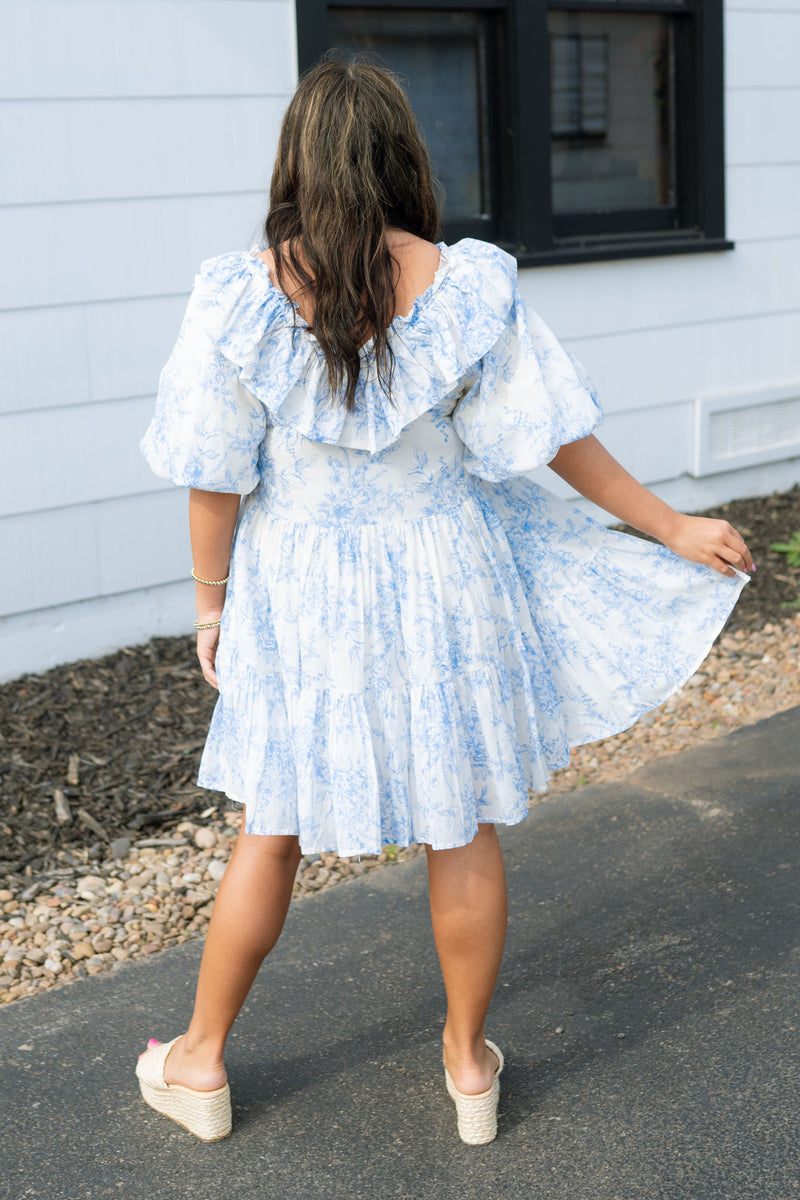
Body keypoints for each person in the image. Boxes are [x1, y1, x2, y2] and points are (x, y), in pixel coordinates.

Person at [136, 57, 753, 1145]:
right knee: (457, 827)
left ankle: (198, 1065)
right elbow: (553, 436)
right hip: (442, 581)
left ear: (297, 162)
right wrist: (668, 524)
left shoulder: (238, 295)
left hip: (301, 595)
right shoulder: (463, 286)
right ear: (401, 157)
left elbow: (211, 474)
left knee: (268, 826)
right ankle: (468, 1067)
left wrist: (207, 608)